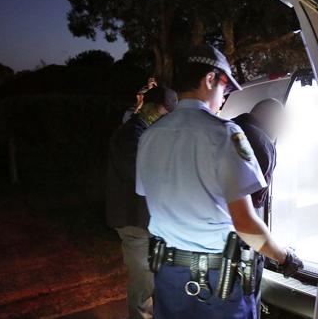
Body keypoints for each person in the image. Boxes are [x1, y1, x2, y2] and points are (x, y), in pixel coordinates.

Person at [135, 45, 303, 318]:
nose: (224, 96)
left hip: (168, 275)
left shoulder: (149, 136)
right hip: (217, 283)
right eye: (224, 86)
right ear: (209, 79)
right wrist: (283, 258)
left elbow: (150, 199)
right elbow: (245, 224)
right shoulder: (224, 133)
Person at [106, 86, 177, 319]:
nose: (167, 119)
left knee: (153, 282)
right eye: (165, 112)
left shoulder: (144, 133)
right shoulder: (132, 135)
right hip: (134, 223)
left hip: (144, 221)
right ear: (152, 107)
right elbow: (143, 176)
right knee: (143, 286)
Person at [232, 99, 285, 216]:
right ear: (271, 118)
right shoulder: (265, 145)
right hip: (241, 215)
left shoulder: (227, 126)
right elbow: (256, 197)